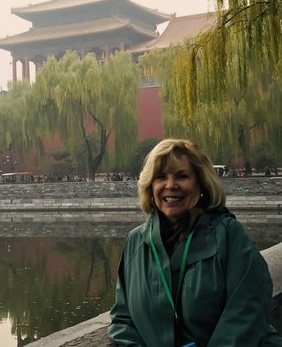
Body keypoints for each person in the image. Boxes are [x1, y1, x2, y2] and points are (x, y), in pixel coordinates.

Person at [108, 139, 282, 346]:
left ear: (201, 184)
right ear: (150, 187)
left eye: (182, 176)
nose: (170, 185)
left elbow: (248, 309)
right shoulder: (136, 242)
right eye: (161, 177)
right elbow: (122, 320)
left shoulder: (227, 234)